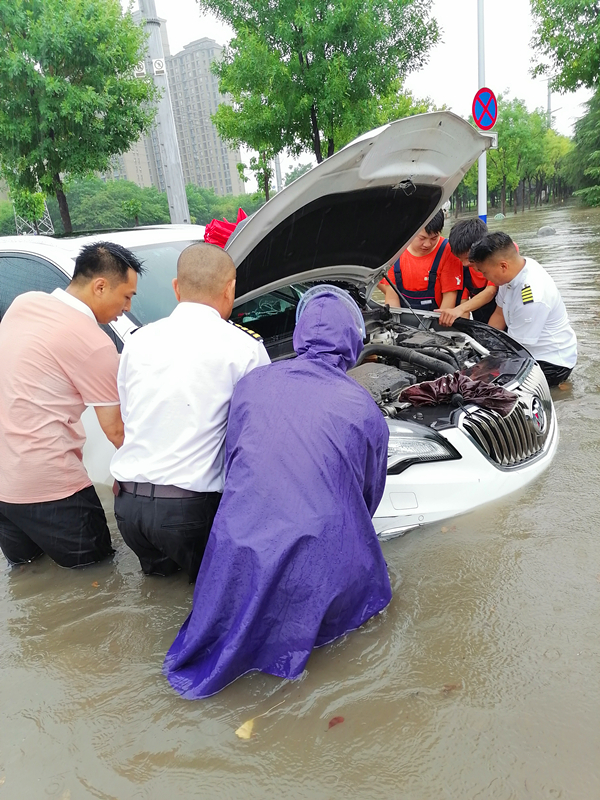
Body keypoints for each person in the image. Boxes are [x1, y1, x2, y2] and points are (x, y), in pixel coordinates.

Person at [163, 286, 392, 699]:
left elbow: (236, 459)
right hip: (319, 548)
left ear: (300, 333)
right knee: (366, 592)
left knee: (226, 623)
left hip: (240, 539)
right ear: (353, 341)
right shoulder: (364, 408)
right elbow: (368, 496)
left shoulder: (252, 384)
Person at [110, 242, 270, 582]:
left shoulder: (136, 342)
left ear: (176, 287)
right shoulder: (246, 348)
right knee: (210, 599)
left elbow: (128, 415)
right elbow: (258, 435)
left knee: (158, 595)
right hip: (189, 510)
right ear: (230, 289)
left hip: (129, 509)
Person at [0, 241, 142, 568]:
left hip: (5, 488)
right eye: (126, 296)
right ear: (100, 286)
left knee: (29, 576)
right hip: (53, 488)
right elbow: (117, 432)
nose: (127, 307)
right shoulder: (94, 343)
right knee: (98, 574)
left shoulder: (24, 303)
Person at [469, 232, 577, 386]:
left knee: (493, 387)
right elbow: (499, 315)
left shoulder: (532, 297)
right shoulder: (515, 270)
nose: (485, 277)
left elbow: (515, 348)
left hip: (550, 361)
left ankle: (558, 384)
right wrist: (483, 346)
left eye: (484, 272)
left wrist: (483, 368)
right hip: (525, 346)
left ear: (503, 266)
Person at [382, 209, 463, 311]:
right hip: (404, 316)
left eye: (434, 238)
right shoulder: (395, 250)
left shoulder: (447, 251)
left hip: (436, 316)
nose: (427, 244)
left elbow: (449, 299)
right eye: (422, 238)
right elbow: (392, 298)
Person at [438, 217, 498, 326]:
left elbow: (490, 291)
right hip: (480, 321)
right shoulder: (463, 268)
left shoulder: (499, 256)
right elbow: (464, 301)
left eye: (468, 258)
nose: (465, 263)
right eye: (460, 259)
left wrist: (459, 309)